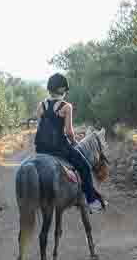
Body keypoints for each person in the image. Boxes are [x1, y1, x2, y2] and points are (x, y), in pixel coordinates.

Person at [34, 73, 106, 212]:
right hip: (60, 148)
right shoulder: (66, 107)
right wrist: (74, 142)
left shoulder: (41, 105)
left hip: (41, 149)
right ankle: (92, 201)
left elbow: (40, 128)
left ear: (49, 89)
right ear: (63, 90)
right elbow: (68, 132)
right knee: (85, 166)